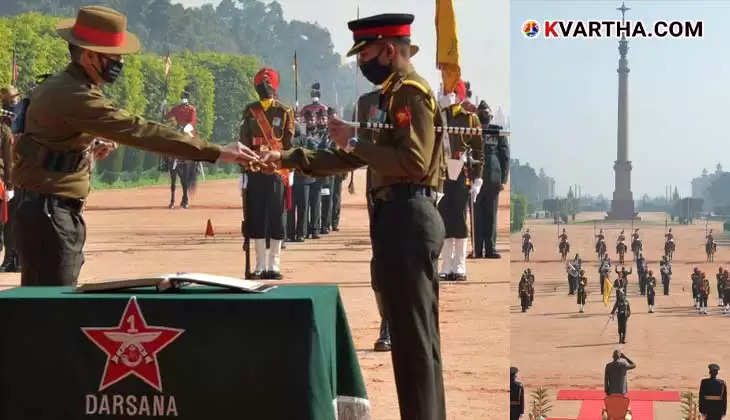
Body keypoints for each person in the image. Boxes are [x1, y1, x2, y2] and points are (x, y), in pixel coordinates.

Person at [261, 14, 447, 418]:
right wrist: (287, 157)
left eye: (365, 52)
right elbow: (346, 157)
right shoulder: (386, 95)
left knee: (416, 344)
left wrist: (357, 139)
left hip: (410, 216)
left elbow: (413, 162)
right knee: (409, 339)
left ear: (389, 49)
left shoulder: (411, 93)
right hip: (393, 217)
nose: (362, 61)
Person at [12, 6, 256, 286]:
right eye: (114, 57)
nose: (120, 63)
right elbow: (141, 131)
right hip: (50, 214)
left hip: (47, 209)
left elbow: (49, 143)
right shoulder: (74, 95)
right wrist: (215, 151)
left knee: (48, 305)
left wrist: (90, 146)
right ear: (90, 56)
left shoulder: (64, 86)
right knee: (51, 313)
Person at [239, 67, 295, 280]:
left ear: (274, 87)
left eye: (268, 83)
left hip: (275, 170)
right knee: (256, 217)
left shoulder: (284, 111)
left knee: (275, 217)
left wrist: (288, 167)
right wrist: (243, 169)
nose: (264, 87)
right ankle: (260, 265)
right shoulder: (250, 110)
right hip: (254, 169)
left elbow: (288, 144)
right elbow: (244, 141)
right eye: (261, 84)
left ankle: (274, 265)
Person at [353, 86, 391, 352]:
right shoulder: (367, 102)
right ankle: (387, 324)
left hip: (415, 192)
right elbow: (359, 146)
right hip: (378, 190)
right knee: (381, 263)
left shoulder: (416, 95)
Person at [437, 79, 482, 279]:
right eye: (446, 91)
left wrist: (478, 178)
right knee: (444, 215)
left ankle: (460, 264)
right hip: (442, 171)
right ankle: (446, 264)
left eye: (453, 92)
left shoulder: (471, 118)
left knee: (459, 217)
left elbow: (479, 150)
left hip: (462, 171)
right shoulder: (439, 115)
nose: (450, 95)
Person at [474, 100, 509, 259]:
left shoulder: (496, 131)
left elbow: (505, 156)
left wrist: (503, 179)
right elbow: (505, 157)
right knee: (486, 215)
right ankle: (488, 249)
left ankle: (481, 249)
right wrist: (502, 179)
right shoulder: (495, 131)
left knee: (480, 215)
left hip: (482, 177)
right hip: (488, 177)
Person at [164, 91, 199, 209]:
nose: (183, 99)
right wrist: (163, 108)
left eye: (185, 97)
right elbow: (166, 117)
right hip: (178, 128)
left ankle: (196, 162)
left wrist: (186, 128)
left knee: (194, 143)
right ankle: (165, 162)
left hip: (188, 129)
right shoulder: (176, 108)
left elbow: (193, 121)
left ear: (188, 99)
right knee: (167, 141)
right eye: (182, 97)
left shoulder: (192, 109)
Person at [0, 86, 17, 272]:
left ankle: (11, 259)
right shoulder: (5, 130)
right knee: (8, 222)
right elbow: (9, 159)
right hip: (6, 180)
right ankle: (11, 259)